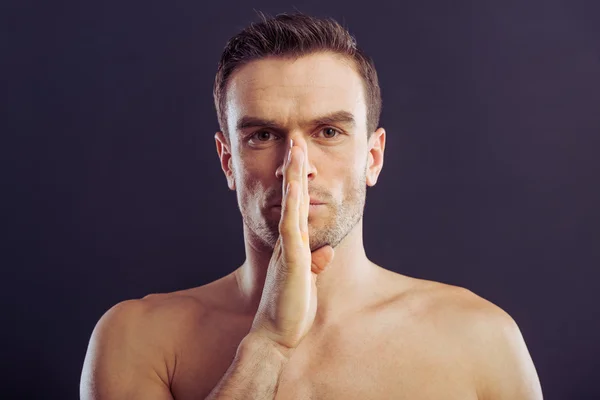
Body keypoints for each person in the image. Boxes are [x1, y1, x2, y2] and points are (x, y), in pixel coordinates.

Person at [80, 11, 543, 400]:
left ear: (373, 158)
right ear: (228, 161)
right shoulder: (139, 339)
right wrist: (267, 346)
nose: (295, 167)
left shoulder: (479, 338)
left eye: (328, 133)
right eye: (263, 136)